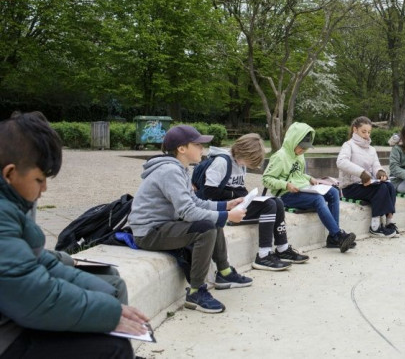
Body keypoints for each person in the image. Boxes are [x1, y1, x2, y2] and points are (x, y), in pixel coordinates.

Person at [0, 112, 148, 359]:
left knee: (108, 291)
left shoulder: (10, 204)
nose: (44, 189)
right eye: (39, 179)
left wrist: (103, 295)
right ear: (10, 173)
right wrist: (111, 314)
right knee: (113, 348)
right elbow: (35, 298)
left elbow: (37, 261)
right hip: (8, 336)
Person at [128, 125, 252, 314]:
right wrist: (227, 216)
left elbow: (194, 202)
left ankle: (225, 273)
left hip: (164, 225)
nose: (202, 148)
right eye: (197, 144)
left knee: (212, 220)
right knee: (207, 227)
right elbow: (188, 212)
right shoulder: (170, 171)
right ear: (182, 149)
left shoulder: (179, 168)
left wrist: (225, 206)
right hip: (149, 233)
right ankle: (196, 292)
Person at [200, 133, 309, 271]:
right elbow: (208, 192)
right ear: (243, 152)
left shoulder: (240, 164)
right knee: (269, 205)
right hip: (223, 207)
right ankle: (263, 255)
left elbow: (238, 187)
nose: (250, 165)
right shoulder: (221, 162)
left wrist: (247, 196)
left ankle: (282, 248)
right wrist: (234, 195)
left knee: (277, 202)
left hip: (237, 203)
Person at [262, 122, 356, 253]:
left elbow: (298, 174)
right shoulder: (280, 156)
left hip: (302, 189)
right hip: (286, 195)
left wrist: (310, 178)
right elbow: (266, 179)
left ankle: (333, 238)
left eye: (305, 148)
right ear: (293, 140)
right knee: (318, 199)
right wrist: (286, 185)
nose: (303, 150)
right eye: (301, 147)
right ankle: (338, 235)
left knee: (333, 192)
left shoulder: (300, 155)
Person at [337, 117, 398, 238]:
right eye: (363, 131)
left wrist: (380, 172)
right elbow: (341, 162)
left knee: (389, 186)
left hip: (366, 185)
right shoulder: (348, 145)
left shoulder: (371, 149)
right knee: (381, 189)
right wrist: (361, 173)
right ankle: (375, 227)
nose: (366, 135)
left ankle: (389, 223)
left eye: (369, 132)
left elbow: (376, 165)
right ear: (355, 130)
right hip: (350, 187)